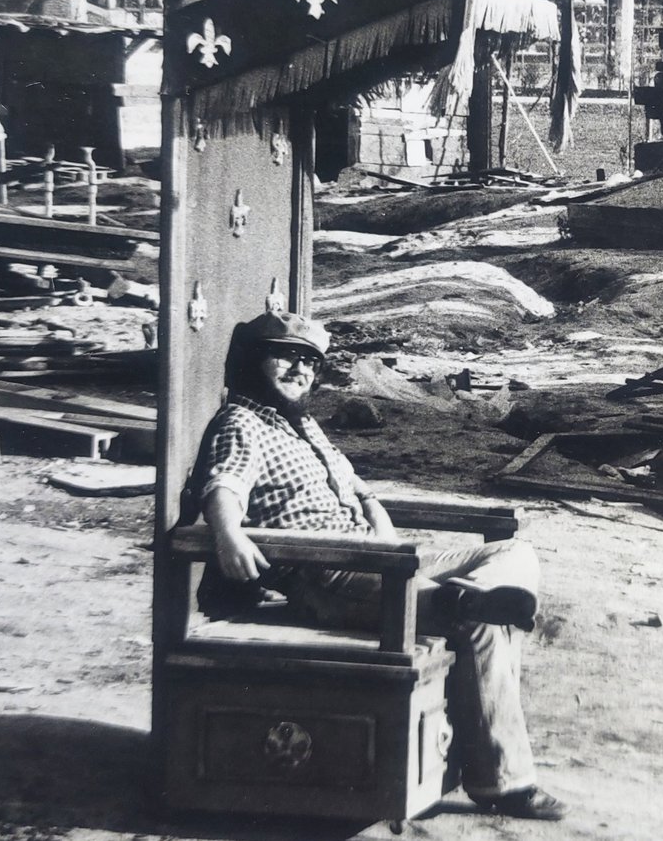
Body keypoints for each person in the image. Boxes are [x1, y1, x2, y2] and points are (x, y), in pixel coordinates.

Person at [192, 310, 565, 822]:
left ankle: (465, 593)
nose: (299, 370)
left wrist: (381, 530)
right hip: (328, 575)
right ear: (256, 362)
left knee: (515, 552)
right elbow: (224, 485)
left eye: (309, 362)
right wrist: (228, 533)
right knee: (484, 623)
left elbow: (362, 491)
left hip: (379, 561)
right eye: (285, 357)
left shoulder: (304, 426)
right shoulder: (243, 422)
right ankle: (501, 782)